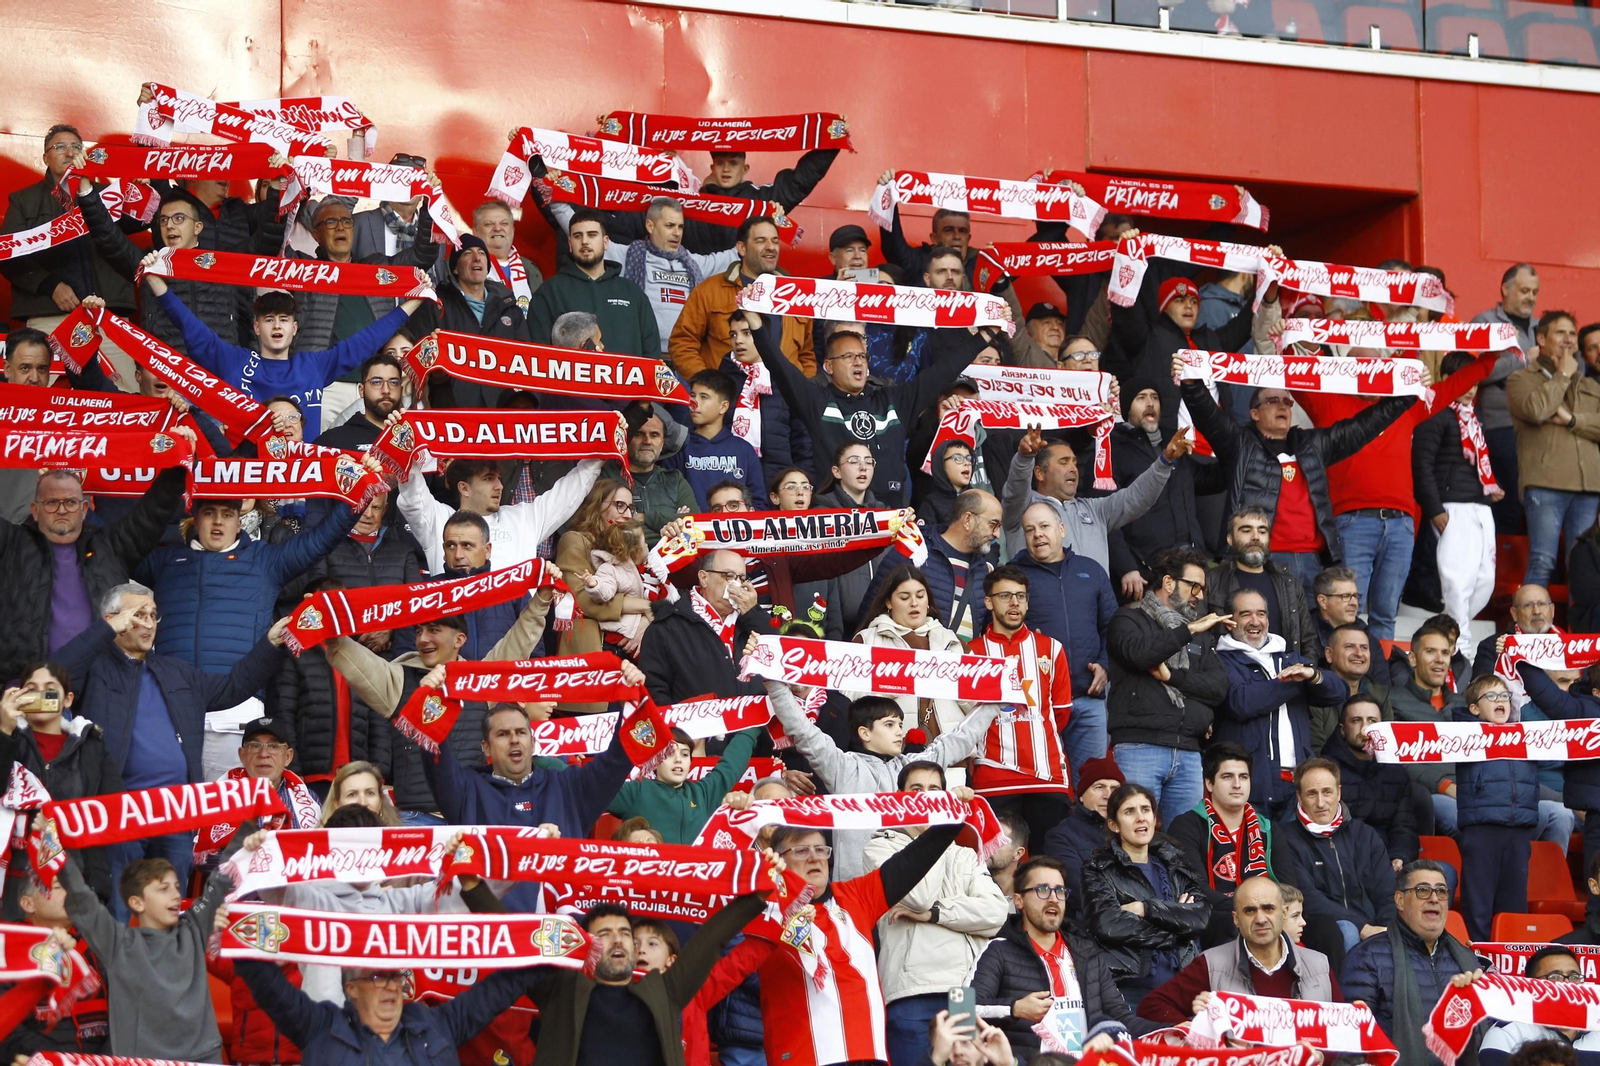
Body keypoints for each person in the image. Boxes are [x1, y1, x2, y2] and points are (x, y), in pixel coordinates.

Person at [55, 584, 287, 916]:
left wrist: (271, 644)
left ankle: (165, 966)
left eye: (153, 615)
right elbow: (57, 672)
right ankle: (117, 969)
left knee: (167, 909)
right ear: (113, 620)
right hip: (119, 809)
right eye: (138, 615)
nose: (149, 623)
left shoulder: (176, 671)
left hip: (176, 811)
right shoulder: (95, 669)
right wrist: (104, 632)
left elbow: (233, 685)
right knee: (121, 909)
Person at [326, 590, 613, 838]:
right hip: (417, 822)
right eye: (418, 631)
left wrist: (541, 600)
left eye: (434, 630)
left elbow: (518, 641)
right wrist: (326, 625)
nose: (423, 639)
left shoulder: (478, 681)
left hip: (471, 821)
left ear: (459, 639)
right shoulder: (399, 679)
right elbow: (354, 660)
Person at [1176, 354, 1420, 608]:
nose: (1283, 407)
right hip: (1265, 559)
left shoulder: (1311, 444)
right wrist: (1192, 381)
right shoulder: (1240, 443)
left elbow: (1362, 427)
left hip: (1313, 562)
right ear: (1255, 413)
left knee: (1312, 638)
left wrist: (1408, 395)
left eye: (1287, 402)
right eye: (1273, 401)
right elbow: (1208, 416)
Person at [1296, 344, 1502, 645]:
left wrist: (1491, 356)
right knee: (1344, 612)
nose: (1369, 374)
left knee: (1384, 615)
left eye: (1376, 367)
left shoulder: (1404, 403)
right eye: (1360, 367)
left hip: (1400, 526)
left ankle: (1378, 684)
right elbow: (1289, 364)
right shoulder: (1327, 401)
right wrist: (1285, 329)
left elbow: (1454, 385)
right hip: (1352, 523)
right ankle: (1344, 686)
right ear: (1343, 372)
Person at [760, 653, 1001, 883]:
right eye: (889, 724)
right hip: (853, 894)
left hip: (903, 896)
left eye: (899, 724)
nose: (899, 731)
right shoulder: (842, 766)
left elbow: (959, 739)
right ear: (864, 732)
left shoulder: (912, 767)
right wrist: (773, 681)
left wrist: (1000, 693)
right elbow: (802, 730)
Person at [748, 816, 968, 1066]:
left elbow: (910, 862)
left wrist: (954, 816)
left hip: (869, 1056)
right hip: (805, 1057)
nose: (814, 857)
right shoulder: (763, 908)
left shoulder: (855, 895)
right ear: (779, 861)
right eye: (801, 850)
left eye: (821, 849)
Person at [747, 306, 997, 506]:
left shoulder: (893, 400)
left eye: (862, 356)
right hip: (837, 514)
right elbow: (781, 367)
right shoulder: (818, 402)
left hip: (891, 513)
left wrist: (985, 337)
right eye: (847, 357)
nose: (858, 362)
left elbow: (941, 372)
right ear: (829, 366)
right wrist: (756, 326)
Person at [142, 259, 425, 430]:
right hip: (248, 477)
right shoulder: (233, 361)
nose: (277, 326)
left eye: (283, 319)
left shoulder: (313, 366)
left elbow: (367, 341)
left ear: (295, 328)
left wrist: (414, 302)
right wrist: (155, 281)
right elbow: (190, 327)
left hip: (300, 483)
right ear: (256, 327)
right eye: (269, 320)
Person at [864, 761, 1010, 1066]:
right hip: (910, 989)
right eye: (916, 789)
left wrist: (935, 914)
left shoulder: (965, 853)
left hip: (962, 989)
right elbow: (918, 897)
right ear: (899, 797)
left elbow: (996, 913)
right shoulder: (878, 849)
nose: (926, 797)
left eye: (934, 790)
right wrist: (932, 837)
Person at [58, 833, 241, 1061]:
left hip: (203, 1059)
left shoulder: (193, 929)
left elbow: (221, 880)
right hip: (143, 1061)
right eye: (164, 889)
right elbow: (81, 898)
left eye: (176, 887)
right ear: (137, 902)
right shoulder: (117, 943)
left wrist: (248, 831)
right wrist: (53, 845)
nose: (176, 896)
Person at [0, 462, 190, 680]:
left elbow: (153, 513)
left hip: (100, 685)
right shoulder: (11, 544)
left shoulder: (110, 545)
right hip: (28, 685)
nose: (61, 510)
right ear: (35, 510)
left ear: (83, 510)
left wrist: (175, 462)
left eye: (70, 502)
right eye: (51, 502)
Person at [970, 855, 1158, 1060]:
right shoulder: (998, 950)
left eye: (1059, 891)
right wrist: (1014, 1008)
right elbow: (963, 1011)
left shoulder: (1087, 953)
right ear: (1019, 900)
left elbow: (1122, 1018)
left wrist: (1177, 1029)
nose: (1053, 898)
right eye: (1042, 890)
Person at [1105, 547, 1231, 827]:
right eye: (1194, 585)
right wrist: (1189, 631)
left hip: (1188, 750)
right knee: (1132, 835)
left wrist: (1172, 678)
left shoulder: (1201, 634)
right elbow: (1141, 654)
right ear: (1169, 582)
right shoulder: (1128, 620)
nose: (1200, 595)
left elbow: (1218, 687)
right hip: (1139, 745)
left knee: (1185, 843)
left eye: (1202, 588)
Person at [1214, 588, 1346, 819]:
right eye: (1245, 614)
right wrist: (1293, 682)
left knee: (1293, 854)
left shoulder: (1290, 658)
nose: (1255, 621)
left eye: (1261, 614)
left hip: (1298, 784)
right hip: (1251, 785)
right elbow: (1241, 702)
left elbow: (1338, 692)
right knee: (1253, 854)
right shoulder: (1219, 660)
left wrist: (1314, 676)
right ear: (1229, 622)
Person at [552, 195, 739, 356]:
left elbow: (737, 253)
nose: (677, 233)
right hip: (643, 354)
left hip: (685, 355)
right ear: (650, 225)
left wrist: (765, 218)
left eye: (680, 227)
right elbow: (581, 231)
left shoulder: (694, 263)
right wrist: (555, 200)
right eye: (670, 225)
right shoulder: (630, 255)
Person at [1136, 876, 1340, 1025]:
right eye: (1250, 911)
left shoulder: (1319, 965)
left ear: (1283, 913)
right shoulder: (1211, 964)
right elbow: (1151, 1006)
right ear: (1236, 919)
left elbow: (1343, 1035)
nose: (1260, 919)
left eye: (1268, 908)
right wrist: (1192, 1029)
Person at [1080, 783, 1209, 1009]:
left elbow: (1200, 918)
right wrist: (1176, 925)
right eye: (1130, 812)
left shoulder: (1176, 863)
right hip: (1131, 991)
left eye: (1145, 809)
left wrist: (1145, 909)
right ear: (1114, 824)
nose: (1141, 818)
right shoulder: (1098, 869)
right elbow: (1109, 925)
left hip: (1183, 986)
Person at [969, 566, 1073, 844]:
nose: (1015, 603)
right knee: (997, 866)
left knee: (1048, 866)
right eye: (1005, 596)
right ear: (989, 602)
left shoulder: (1051, 649)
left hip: (1047, 777)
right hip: (993, 779)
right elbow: (964, 719)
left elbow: (1060, 713)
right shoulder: (971, 653)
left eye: (1021, 596)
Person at [1012, 503, 1116, 780]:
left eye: (1044, 527)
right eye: (1030, 530)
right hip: (1036, 704)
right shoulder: (1014, 576)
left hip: (1089, 698)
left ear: (1061, 529)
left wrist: (1106, 665)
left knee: (1093, 786)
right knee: (1042, 785)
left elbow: (1113, 627)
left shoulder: (1090, 570)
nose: (1038, 535)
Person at [0, 663, 121, 901]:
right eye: (31, 688)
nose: (41, 694)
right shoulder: (8, 739)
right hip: (14, 881)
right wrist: (4, 730)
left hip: (75, 879)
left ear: (67, 700)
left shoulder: (91, 745)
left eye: (50, 688)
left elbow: (114, 809)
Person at [396, 435, 603, 574]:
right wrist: (401, 437)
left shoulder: (523, 517)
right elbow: (413, 492)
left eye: (498, 478)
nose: (500, 486)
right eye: (488, 479)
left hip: (515, 634)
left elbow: (570, 491)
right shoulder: (439, 520)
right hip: (457, 633)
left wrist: (604, 445)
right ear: (464, 488)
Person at [1414, 351, 1509, 654]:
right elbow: (1422, 465)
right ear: (1446, 380)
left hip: (1481, 507)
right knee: (1457, 583)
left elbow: (1472, 463)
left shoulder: (1474, 418)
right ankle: (1461, 650)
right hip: (1452, 508)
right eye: (1463, 381)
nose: (1470, 388)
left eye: (1474, 382)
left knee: (1485, 581)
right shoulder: (1435, 413)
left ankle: (1449, 633)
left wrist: (1488, 488)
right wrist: (1435, 509)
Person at [1340, 859, 1479, 1066]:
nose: (1434, 898)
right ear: (1400, 900)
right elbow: (1351, 1044)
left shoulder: (1467, 960)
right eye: (1423, 890)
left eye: (1441, 891)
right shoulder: (1367, 957)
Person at [1000, 426, 1185, 577]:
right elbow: (1016, 489)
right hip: (1041, 614)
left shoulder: (1094, 510)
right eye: (1064, 462)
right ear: (1039, 473)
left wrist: (1164, 462)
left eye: (1074, 462)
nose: (1073, 468)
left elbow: (1135, 498)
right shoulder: (1022, 509)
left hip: (1094, 613)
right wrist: (1025, 458)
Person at [1, 125, 134, 331]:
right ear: (45, 158)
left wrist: (143, 188)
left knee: (118, 366)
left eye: (76, 147)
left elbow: (141, 223)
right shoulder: (23, 200)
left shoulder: (109, 195)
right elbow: (9, 257)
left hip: (108, 313)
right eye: (60, 147)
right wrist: (50, 286)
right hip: (49, 313)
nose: (70, 153)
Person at [1271, 757, 1396, 967]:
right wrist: (1361, 926)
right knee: (1346, 930)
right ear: (1299, 797)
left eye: (1327, 792)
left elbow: (1388, 892)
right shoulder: (1286, 838)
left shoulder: (1365, 834)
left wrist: (1385, 928)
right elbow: (1307, 897)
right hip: (1320, 928)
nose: (1321, 803)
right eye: (1312, 794)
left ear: (1339, 792)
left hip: (1372, 926)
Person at [1506, 310, 1600, 587]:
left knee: (1583, 564)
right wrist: (1562, 375)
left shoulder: (1591, 386)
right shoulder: (1521, 380)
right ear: (1542, 339)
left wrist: (1572, 420)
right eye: (1561, 333)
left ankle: (1580, 631)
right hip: (1545, 484)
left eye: (1572, 333)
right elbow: (1537, 410)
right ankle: (1531, 631)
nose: (1569, 340)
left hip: (1588, 488)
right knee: (1543, 560)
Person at [1108, 382, 1220, 594]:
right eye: (1141, 397)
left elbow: (1214, 480)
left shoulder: (1175, 443)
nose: (1150, 403)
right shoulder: (1114, 448)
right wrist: (1127, 566)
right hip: (1148, 570)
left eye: (1155, 397)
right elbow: (1105, 516)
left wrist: (1228, 441)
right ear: (1126, 407)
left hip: (1194, 563)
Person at [669, 218, 815, 380]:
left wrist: (803, 393)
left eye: (775, 241)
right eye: (761, 241)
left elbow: (807, 355)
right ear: (742, 248)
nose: (771, 247)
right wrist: (708, 385)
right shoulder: (709, 290)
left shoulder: (797, 295)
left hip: (784, 401)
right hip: (729, 398)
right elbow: (682, 343)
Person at [1168, 742, 1282, 948]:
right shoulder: (1187, 825)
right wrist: (1247, 910)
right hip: (1213, 916)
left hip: (1265, 912)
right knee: (1233, 923)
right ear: (1209, 784)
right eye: (1227, 777)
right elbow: (1196, 887)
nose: (1237, 784)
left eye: (1243, 777)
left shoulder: (1267, 827)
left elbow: (1287, 883)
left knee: (1327, 928)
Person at [852, 565, 977, 751]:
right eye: (904, 597)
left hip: (955, 761)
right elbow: (851, 702)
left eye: (920, 596)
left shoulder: (954, 642)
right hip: (892, 762)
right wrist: (896, 681)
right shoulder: (866, 640)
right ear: (888, 602)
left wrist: (955, 686)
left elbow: (980, 707)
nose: (914, 603)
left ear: (928, 601)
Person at [1456, 673, 1540, 941]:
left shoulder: (1525, 736)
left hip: (1518, 830)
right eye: (1491, 696)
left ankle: (1510, 968)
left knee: (1514, 906)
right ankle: (1478, 959)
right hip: (1482, 829)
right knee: (1478, 905)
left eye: (1504, 695)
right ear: (1474, 709)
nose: (1500, 700)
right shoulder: (1464, 735)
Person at [639, 547, 771, 705]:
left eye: (741, 578)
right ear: (704, 578)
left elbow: (782, 660)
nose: (736, 584)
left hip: (756, 726)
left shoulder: (750, 620)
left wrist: (753, 613)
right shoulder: (666, 627)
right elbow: (654, 690)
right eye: (728, 576)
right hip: (698, 727)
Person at [0, 870, 109, 1060]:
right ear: (28, 904)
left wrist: (103, 1058)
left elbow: (124, 1015)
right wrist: (56, 1059)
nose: (70, 892)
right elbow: (6, 1026)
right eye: (59, 887)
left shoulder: (99, 945)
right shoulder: (9, 950)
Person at [555, 481, 657, 679]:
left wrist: (645, 622)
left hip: (630, 657)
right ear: (597, 506)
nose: (627, 514)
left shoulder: (630, 549)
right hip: (591, 658)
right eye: (619, 505)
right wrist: (645, 606)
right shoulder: (574, 540)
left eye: (631, 508)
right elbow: (580, 600)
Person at [527, 209, 658, 356]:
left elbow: (652, 355)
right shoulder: (549, 292)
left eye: (592, 235)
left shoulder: (632, 293)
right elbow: (538, 356)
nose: (584, 241)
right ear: (570, 244)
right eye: (578, 236)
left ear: (606, 242)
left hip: (626, 379)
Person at [1474, 263, 1541, 532]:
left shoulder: (1544, 326)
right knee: (1508, 506)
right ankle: (1502, 569)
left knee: (1534, 506)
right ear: (1505, 289)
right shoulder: (1484, 322)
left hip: (1542, 427)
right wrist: (1524, 361)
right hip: (1501, 426)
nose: (1531, 297)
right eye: (1525, 290)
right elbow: (1477, 372)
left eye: (1535, 292)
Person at [606, 725, 759, 843]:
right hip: (652, 881)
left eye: (685, 754)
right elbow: (592, 789)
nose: (678, 759)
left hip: (695, 880)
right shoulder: (636, 792)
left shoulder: (702, 794)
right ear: (654, 761)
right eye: (669, 753)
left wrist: (756, 722)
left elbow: (731, 765)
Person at [1207, 508, 1321, 661]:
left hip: (1285, 676)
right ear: (1230, 539)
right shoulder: (1212, 580)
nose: (1255, 537)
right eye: (1246, 530)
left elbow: (1308, 640)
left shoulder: (1289, 583)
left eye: (1262, 531)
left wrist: (1307, 673)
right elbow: (1202, 638)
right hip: (1231, 677)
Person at [1320, 694, 1420, 868]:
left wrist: (1399, 856)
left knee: (1445, 872)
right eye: (1356, 720)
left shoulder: (1396, 772)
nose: (1365, 728)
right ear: (1343, 729)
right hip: (1340, 862)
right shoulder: (1325, 771)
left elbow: (1403, 827)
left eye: (1372, 721)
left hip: (1386, 860)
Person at [1390, 619, 1469, 836]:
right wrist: (1445, 786)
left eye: (1445, 653)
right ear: (1413, 658)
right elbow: (1397, 760)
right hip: (1431, 793)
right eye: (1430, 652)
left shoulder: (1463, 705)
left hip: (1470, 791)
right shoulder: (1393, 701)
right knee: (1466, 820)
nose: (1439, 660)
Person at [662, 368, 765, 507]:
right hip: (690, 527)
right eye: (693, 395)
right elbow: (666, 499)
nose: (694, 403)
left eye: (704, 397)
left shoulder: (743, 450)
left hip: (734, 528)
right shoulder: (678, 446)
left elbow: (758, 503)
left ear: (723, 407)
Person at [1478, 948, 1600, 1063]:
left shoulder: (1596, 1029)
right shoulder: (1507, 1032)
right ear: (1531, 985)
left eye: (1574, 977)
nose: (1567, 983)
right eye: (1555, 977)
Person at [1040, 756, 1124, 914]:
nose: (1108, 795)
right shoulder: (1061, 836)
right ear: (1081, 796)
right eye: (1099, 787)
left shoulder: (1134, 831)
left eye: (1115, 789)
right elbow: (1081, 888)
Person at [616, 403, 694, 546]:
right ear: (626, 439)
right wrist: (670, 527)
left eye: (654, 435)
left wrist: (644, 517)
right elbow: (613, 531)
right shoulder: (610, 476)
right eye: (639, 434)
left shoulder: (675, 479)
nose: (647, 441)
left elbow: (695, 526)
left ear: (663, 442)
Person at [1311, 623, 1393, 748]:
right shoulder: (1315, 693)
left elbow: (1389, 748)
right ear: (1329, 654)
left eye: (1364, 648)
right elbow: (1315, 749)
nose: (1359, 653)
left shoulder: (1380, 695)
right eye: (1349, 646)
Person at [1309, 566, 1392, 686]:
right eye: (1346, 597)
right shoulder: (1304, 635)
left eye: (1355, 596)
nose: (1354, 603)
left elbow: (1383, 688)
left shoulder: (1367, 636)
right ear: (1323, 601)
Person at [473, 199, 544, 309]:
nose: (497, 228)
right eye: (488, 224)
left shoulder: (530, 269)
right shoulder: (464, 267)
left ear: (512, 230)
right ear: (475, 232)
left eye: (504, 223)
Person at [317, 759, 403, 826]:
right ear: (336, 804)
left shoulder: (400, 843)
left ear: (381, 800)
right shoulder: (317, 845)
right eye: (352, 794)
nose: (362, 802)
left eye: (370, 793)